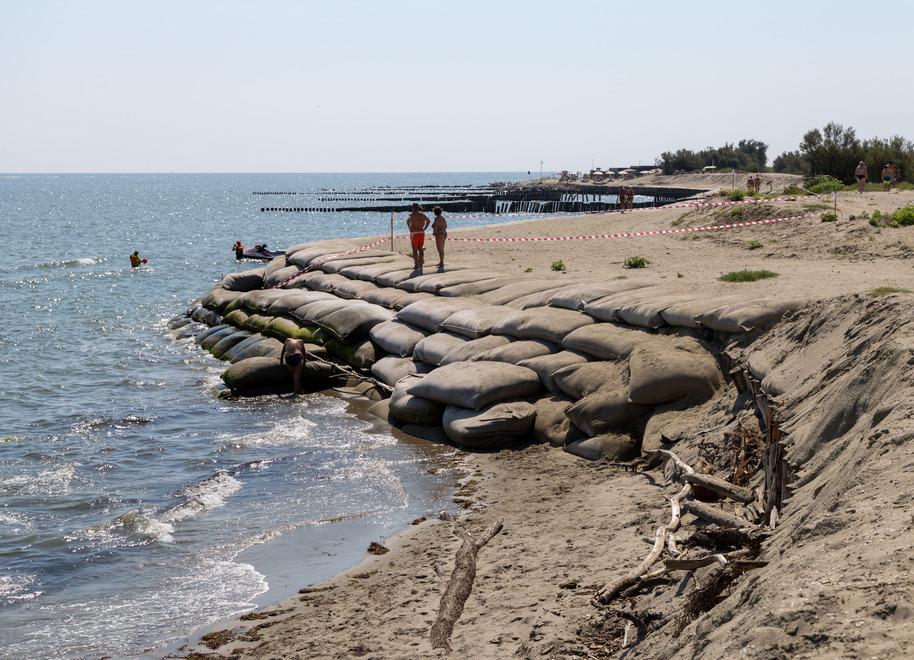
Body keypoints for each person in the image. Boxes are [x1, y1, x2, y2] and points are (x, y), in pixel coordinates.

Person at [406, 203, 430, 271]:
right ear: (418, 207)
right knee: (420, 249)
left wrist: (410, 228)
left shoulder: (411, 215)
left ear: (413, 208)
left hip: (414, 232)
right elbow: (428, 221)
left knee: (415, 249)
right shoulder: (422, 214)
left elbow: (407, 221)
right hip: (421, 232)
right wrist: (425, 228)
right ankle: (421, 265)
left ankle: (416, 265)